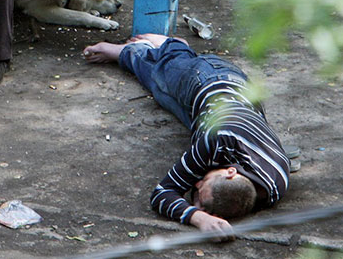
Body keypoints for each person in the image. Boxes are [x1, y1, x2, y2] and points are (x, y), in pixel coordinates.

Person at [83, 34, 290, 237]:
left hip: (211, 110)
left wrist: (202, 212)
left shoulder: (273, 188)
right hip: (210, 78)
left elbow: (176, 195)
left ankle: (136, 52)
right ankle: (171, 45)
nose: (196, 184)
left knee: (159, 90)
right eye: (203, 183)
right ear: (230, 172)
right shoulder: (216, 141)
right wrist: (198, 218)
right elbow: (162, 192)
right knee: (166, 70)